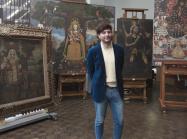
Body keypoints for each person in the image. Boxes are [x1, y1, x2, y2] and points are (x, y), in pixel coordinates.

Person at [86, 22, 124, 139]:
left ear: (112, 33)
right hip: (101, 90)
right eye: (103, 33)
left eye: (109, 32)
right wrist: (95, 85)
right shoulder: (93, 51)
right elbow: (90, 71)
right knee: (99, 120)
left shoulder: (119, 50)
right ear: (98, 35)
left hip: (116, 91)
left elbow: (120, 68)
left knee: (120, 121)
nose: (107, 35)